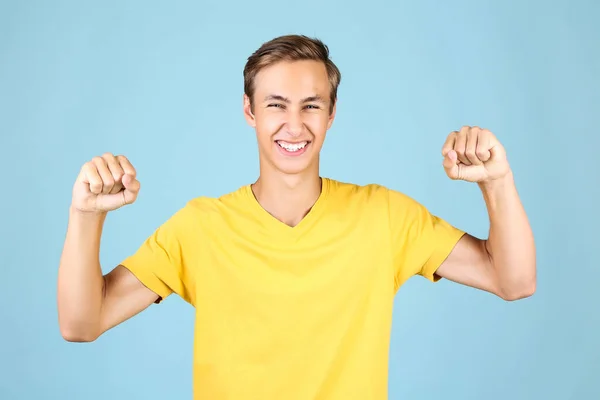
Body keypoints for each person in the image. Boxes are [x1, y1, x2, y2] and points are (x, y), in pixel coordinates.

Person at [57, 34, 536, 399]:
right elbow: (82, 324)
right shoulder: (199, 227)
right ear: (249, 111)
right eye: (275, 105)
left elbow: (512, 280)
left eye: (311, 105)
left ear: (331, 114)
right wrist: (85, 215)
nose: (294, 124)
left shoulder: (385, 216)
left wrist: (496, 181)